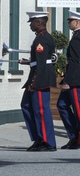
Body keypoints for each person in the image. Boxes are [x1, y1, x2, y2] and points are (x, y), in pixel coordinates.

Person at [21, 11, 58, 151]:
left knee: (41, 110)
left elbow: (42, 64)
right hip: (38, 76)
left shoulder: (41, 39)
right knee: (26, 105)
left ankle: (47, 141)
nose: (30, 25)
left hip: (41, 79)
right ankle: (38, 137)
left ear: (38, 23)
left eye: (31, 22)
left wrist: (34, 84)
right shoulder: (40, 38)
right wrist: (27, 62)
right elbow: (39, 61)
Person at [57, 10, 80, 149]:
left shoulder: (79, 38)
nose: (68, 23)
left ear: (77, 22)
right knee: (62, 104)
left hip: (75, 79)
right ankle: (74, 137)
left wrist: (67, 81)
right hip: (76, 76)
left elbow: (75, 61)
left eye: (70, 21)